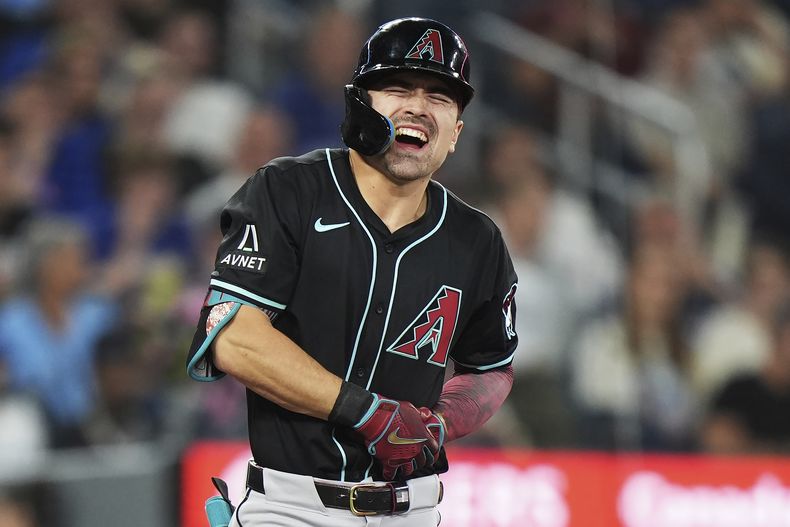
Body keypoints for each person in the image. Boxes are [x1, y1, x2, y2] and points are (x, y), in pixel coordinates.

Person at [186, 17, 518, 526]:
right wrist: (367, 412)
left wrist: (436, 424)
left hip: (414, 509)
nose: (418, 107)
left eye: (440, 97)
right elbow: (234, 337)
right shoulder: (288, 191)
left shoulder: (477, 241)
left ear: (456, 132)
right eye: (397, 87)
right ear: (358, 103)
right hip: (291, 506)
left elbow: (491, 367)